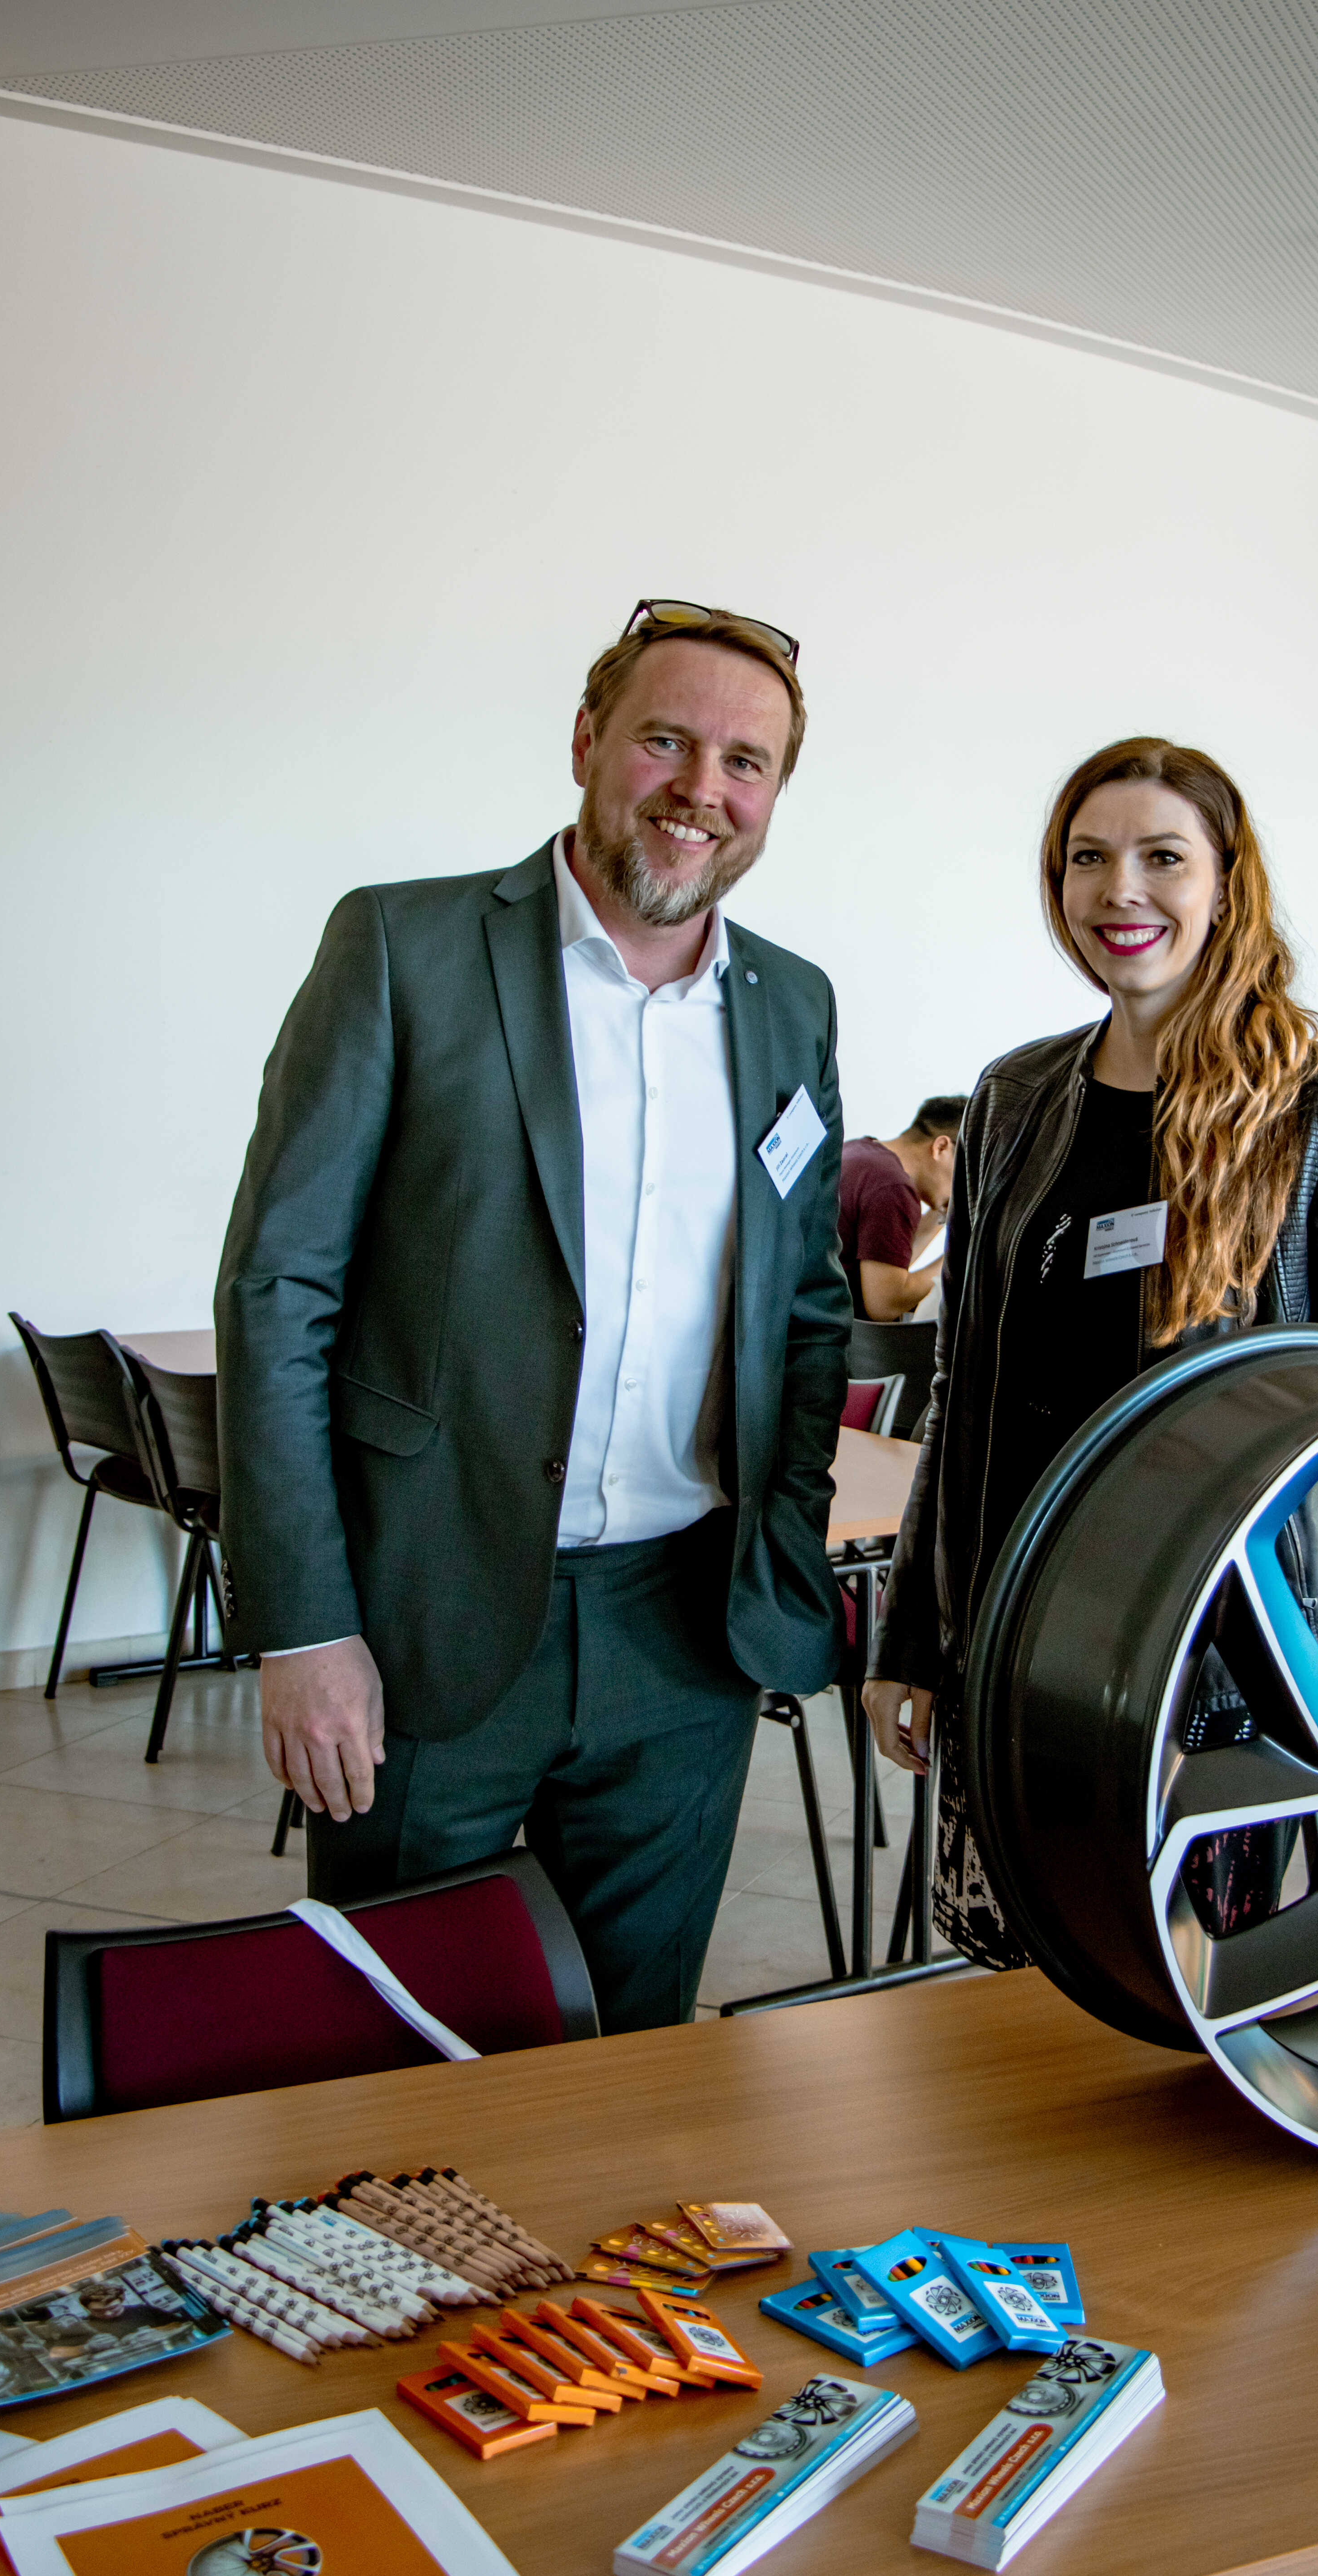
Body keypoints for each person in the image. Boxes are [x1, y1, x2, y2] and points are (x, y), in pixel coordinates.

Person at [216, 600, 851, 2032]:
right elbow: (278, 1291)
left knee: (633, 2050)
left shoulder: (792, 1007)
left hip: (683, 1629)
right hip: (423, 1612)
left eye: (745, 762)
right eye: (666, 741)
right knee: (394, 2043)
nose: (702, 789)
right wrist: (303, 1628)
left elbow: (807, 1308)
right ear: (585, 741)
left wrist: (786, 1546)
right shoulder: (403, 946)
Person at [860, 735, 1318, 1968]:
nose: (1120, 892)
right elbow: (964, 1391)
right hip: (1021, 1626)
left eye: (1160, 857)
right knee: (1012, 1986)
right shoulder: (1012, 1100)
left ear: (1223, 881)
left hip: (1223, 1660)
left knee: (1185, 1986)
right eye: (1088, 859)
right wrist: (914, 1644)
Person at [838, 1097, 968, 1318]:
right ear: (941, 1147)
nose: (967, 1184)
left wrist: (948, 1211)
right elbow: (885, 1304)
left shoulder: (860, 1152)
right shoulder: (893, 1187)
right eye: (966, 1169)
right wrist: (964, 1255)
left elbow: (886, 1263)